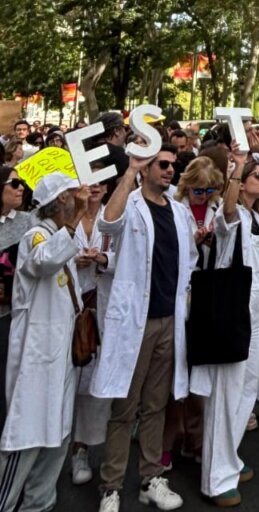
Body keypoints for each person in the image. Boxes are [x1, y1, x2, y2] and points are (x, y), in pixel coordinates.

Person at [93, 144, 197, 512]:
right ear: (145, 169)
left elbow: (190, 261)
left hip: (170, 322)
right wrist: (129, 172)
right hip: (136, 322)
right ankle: (111, 485)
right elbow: (107, 224)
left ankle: (151, 477)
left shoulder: (181, 213)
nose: (170, 170)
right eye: (162, 165)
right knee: (125, 406)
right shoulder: (132, 204)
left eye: (173, 165)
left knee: (156, 404)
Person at [191, 154, 259, 507]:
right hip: (233, 314)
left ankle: (228, 457)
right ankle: (216, 479)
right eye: (257, 176)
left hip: (258, 318)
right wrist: (235, 172)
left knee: (246, 391)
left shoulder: (258, 218)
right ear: (241, 181)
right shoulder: (227, 213)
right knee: (226, 395)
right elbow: (228, 216)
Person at [0, 171, 90, 512]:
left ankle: (38, 504)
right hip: (35, 358)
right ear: (61, 201)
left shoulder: (60, 235)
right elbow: (43, 262)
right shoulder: (35, 235)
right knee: (27, 434)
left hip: (61, 355)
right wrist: (78, 218)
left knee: (56, 435)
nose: (80, 196)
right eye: (72, 194)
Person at [162, 156, 224, 465]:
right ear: (187, 186)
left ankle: (197, 440)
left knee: (200, 376)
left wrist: (209, 243)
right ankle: (167, 442)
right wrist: (193, 240)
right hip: (179, 295)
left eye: (210, 190)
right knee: (175, 375)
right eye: (198, 190)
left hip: (205, 295)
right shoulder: (174, 207)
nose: (204, 196)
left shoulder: (218, 208)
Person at [71, 181, 113, 486]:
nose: (95, 187)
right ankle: (67, 447)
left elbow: (128, 258)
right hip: (69, 305)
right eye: (90, 182)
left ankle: (85, 449)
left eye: (101, 182)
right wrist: (73, 260)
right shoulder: (67, 216)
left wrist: (102, 261)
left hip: (104, 304)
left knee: (96, 378)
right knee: (70, 377)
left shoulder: (114, 216)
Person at [0, 165, 32, 435]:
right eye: (14, 183)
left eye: (22, 183)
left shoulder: (27, 222)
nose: (21, 188)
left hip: (12, 314)